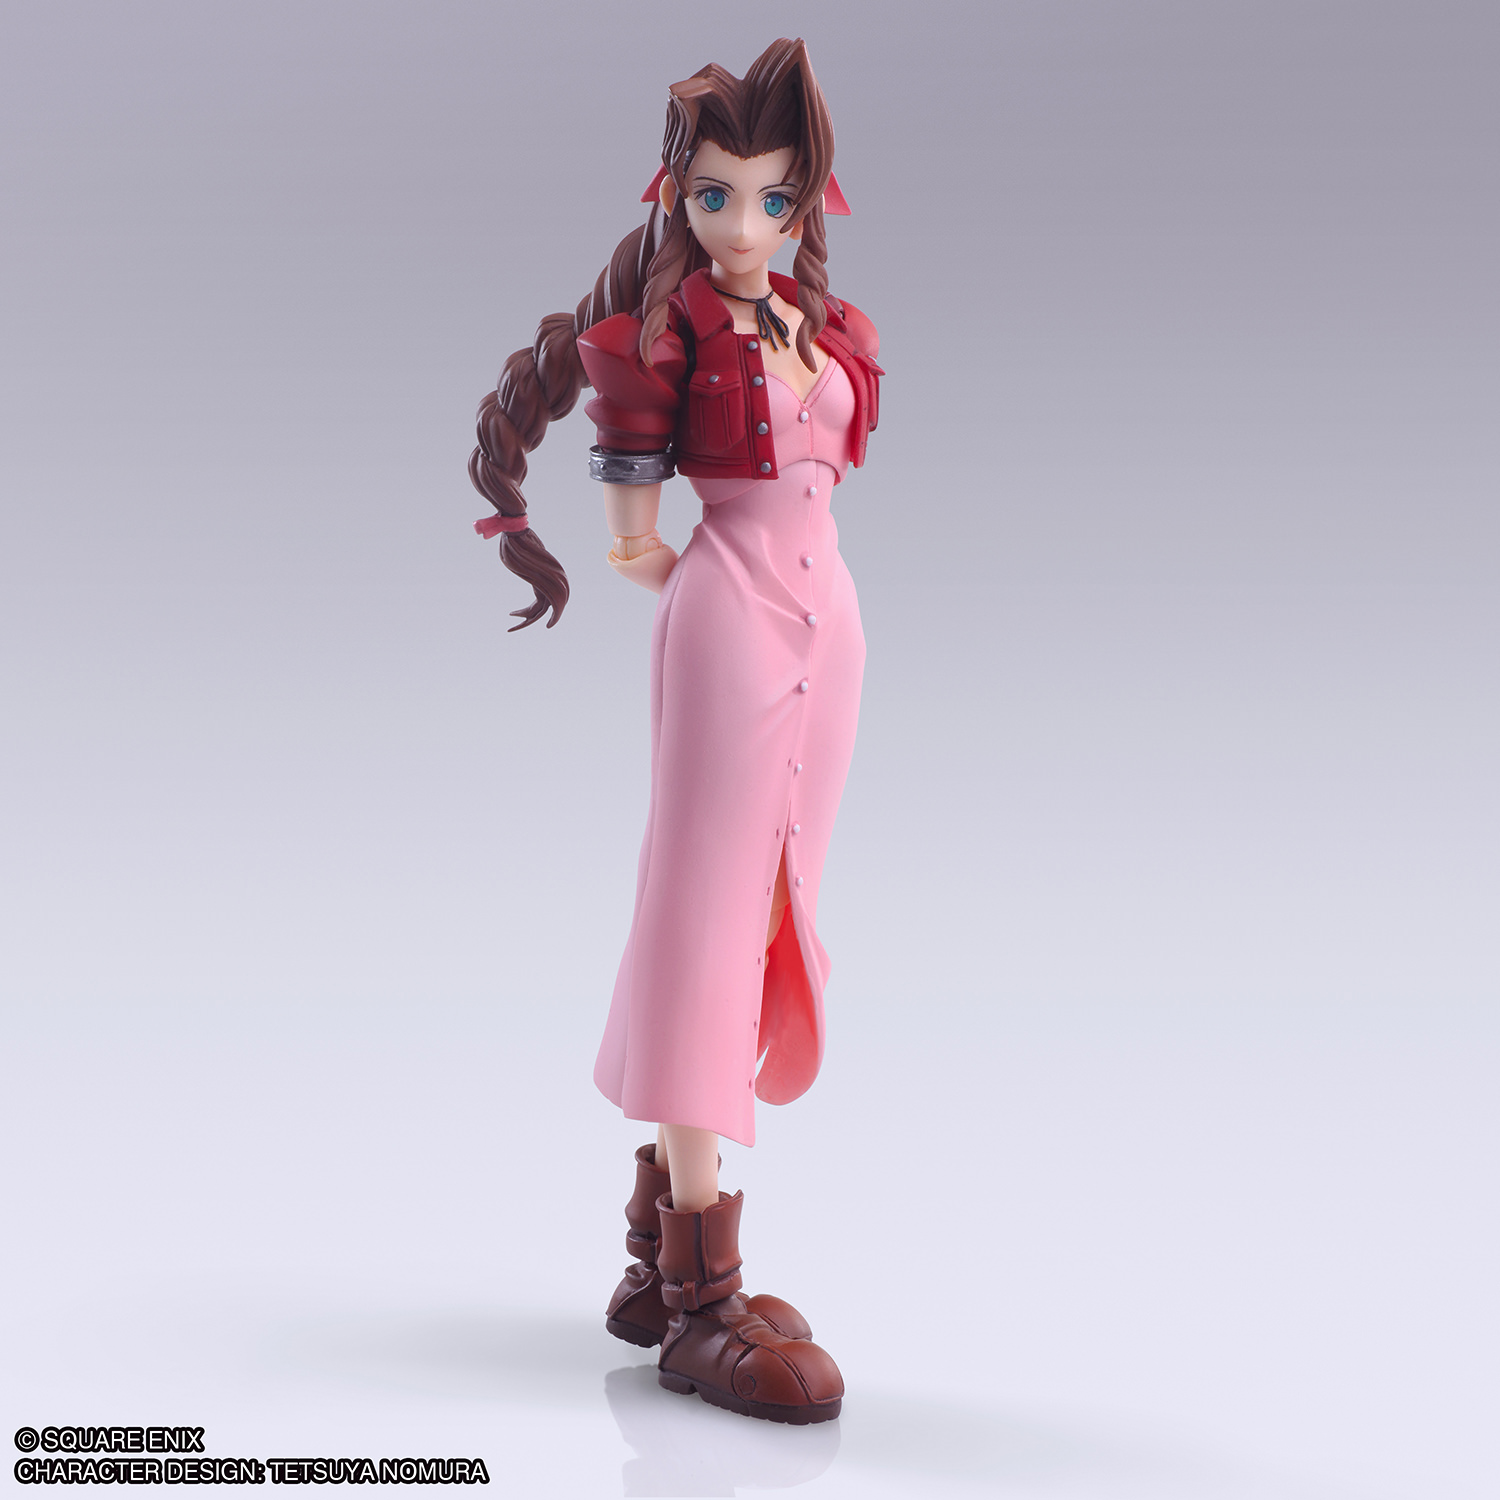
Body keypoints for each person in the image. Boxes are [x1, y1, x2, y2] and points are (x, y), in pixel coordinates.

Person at [469, 38, 880, 1425]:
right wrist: (723, 599)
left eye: (773, 197)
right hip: (732, 631)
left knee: (769, 909)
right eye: (717, 196)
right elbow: (638, 545)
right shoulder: (674, 338)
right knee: (703, 920)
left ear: (809, 198)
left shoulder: (817, 323)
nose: (746, 225)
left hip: (828, 639)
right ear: (675, 194)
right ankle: (707, 1299)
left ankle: (659, 1262)